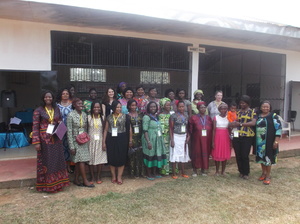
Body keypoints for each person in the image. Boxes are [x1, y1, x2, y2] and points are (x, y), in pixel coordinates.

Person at [32, 90, 69, 193]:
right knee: (48, 162)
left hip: (56, 138)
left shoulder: (56, 109)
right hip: (45, 140)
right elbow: (35, 126)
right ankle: (48, 186)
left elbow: (60, 120)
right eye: (46, 97)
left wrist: (60, 124)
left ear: (52, 98)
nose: (48, 99)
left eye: (50, 97)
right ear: (43, 98)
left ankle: (58, 184)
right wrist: (37, 142)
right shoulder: (38, 111)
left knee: (58, 161)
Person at [103, 100, 132, 185]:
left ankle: (119, 177)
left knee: (121, 157)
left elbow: (129, 129)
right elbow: (105, 129)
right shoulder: (109, 117)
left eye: (120, 107)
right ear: (113, 108)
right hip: (111, 139)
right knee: (112, 157)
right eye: (117, 107)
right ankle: (113, 176)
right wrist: (103, 142)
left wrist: (130, 140)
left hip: (122, 138)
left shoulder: (126, 117)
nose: (119, 109)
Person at [67, 98, 94, 187]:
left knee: (80, 161)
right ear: (74, 105)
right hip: (75, 141)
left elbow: (86, 128)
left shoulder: (84, 114)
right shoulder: (70, 115)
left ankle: (76, 179)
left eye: (81, 103)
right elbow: (69, 131)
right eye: (78, 104)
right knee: (81, 160)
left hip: (83, 140)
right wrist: (71, 146)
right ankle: (85, 180)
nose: (81, 105)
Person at [230, 95, 257, 180]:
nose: (242, 104)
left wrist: (241, 124)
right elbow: (233, 121)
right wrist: (232, 123)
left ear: (248, 103)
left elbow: (253, 123)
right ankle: (240, 171)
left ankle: (246, 172)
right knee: (238, 155)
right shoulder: (237, 112)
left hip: (247, 136)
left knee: (245, 155)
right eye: (241, 103)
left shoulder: (252, 112)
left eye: (243, 103)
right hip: (237, 135)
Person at [256, 100, 282, 185]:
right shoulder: (258, 116)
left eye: (267, 106)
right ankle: (263, 173)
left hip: (269, 141)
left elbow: (278, 128)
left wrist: (276, 141)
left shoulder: (273, 116)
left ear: (270, 108)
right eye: (263, 106)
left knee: (268, 158)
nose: (265, 108)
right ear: (260, 107)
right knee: (261, 158)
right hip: (259, 142)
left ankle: (268, 176)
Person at [142, 101, 167, 180]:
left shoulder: (156, 116)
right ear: (148, 108)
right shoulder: (146, 117)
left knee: (156, 154)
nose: (153, 108)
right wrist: (148, 141)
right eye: (151, 107)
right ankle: (148, 174)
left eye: (154, 107)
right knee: (150, 155)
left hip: (157, 139)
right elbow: (145, 130)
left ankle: (155, 172)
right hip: (149, 138)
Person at [188, 101, 213, 176]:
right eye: (201, 107)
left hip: (206, 139)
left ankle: (203, 170)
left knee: (205, 153)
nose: (203, 109)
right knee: (196, 153)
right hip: (196, 139)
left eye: (204, 107)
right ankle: (195, 170)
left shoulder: (208, 118)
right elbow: (190, 129)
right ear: (198, 108)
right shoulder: (193, 118)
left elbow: (211, 129)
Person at [169, 101, 190, 179]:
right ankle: (174, 173)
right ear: (177, 107)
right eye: (180, 107)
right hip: (176, 136)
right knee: (175, 154)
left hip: (184, 136)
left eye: (183, 106)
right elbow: (171, 128)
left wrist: (188, 137)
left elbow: (188, 128)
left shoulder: (186, 116)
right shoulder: (173, 116)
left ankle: (183, 172)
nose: (181, 108)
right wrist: (172, 140)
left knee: (183, 154)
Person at [88, 101, 107, 184]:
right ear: (92, 108)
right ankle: (92, 177)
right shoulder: (88, 117)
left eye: (98, 107)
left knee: (100, 160)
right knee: (91, 160)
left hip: (100, 141)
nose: (96, 109)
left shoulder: (102, 118)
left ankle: (99, 176)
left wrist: (104, 142)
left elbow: (104, 131)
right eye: (95, 107)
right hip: (90, 142)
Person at [211, 103, 231, 176]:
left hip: (225, 137)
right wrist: (212, 141)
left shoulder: (228, 117)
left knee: (224, 153)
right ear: (219, 110)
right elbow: (213, 130)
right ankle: (217, 171)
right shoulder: (215, 117)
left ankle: (223, 171)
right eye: (222, 108)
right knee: (217, 153)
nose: (223, 110)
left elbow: (230, 128)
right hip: (217, 136)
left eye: (225, 108)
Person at [56, 88, 73, 173]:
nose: (65, 95)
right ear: (61, 95)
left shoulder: (72, 105)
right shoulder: (57, 105)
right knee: (62, 148)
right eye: (63, 94)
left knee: (69, 147)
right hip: (61, 129)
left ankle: (69, 166)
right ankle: (63, 167)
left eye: (67, 93)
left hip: (70, 130)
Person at [127, 99, 145, 178]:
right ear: (129, 106)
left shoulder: (140, 115)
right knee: (132, 155)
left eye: (135, 105)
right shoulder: (127, 116)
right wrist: (130, 140)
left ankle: (140, 173)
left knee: (140, 155)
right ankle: (132, 173)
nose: (134, 107)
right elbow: (128, 128)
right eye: (132, 105)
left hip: (140, 137)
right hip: (132, 137)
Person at [158, 97, 172, 175]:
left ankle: (171, 169)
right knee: (164, 153)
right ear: (163, 106)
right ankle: (164, 170)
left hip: (172, 137)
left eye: (169, 105)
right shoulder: (159, 115)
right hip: (163, 137)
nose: (168, 107)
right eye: (167, 105)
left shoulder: (172, 114)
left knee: (171, 153)